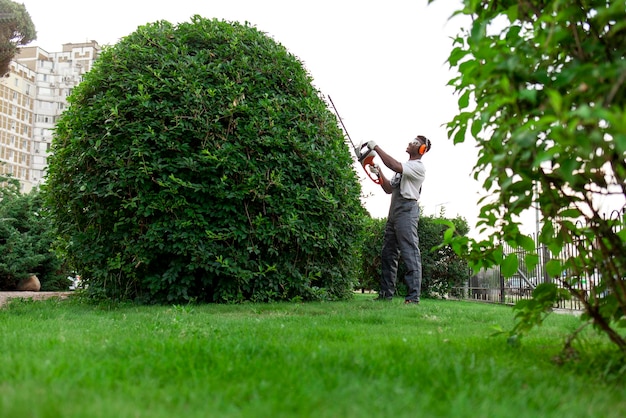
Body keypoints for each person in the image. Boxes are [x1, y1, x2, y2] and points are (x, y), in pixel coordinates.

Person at [366, 135, 431, 304]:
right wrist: (378, 172)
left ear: (422, 149)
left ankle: (413, 298)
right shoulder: (403, 169)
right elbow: (388, 189)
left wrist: (376, 148)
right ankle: (385, 295)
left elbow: (393, 165)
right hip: (394, 211)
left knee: (410, 253)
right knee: (388, 254)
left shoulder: (417, 167)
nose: (410, 143)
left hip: (407, 211)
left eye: (415, 143)